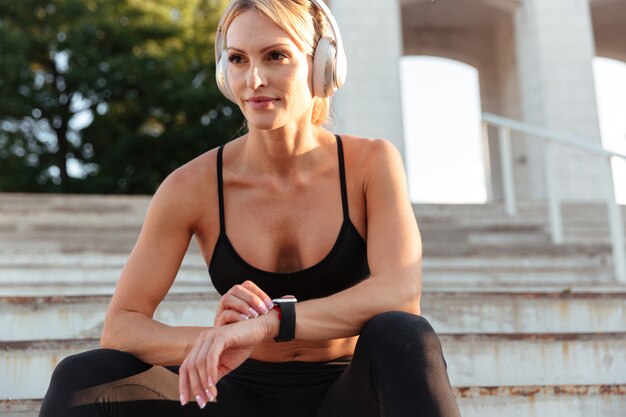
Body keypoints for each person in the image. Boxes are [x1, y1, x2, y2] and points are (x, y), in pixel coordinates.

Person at [39, 0, 461, 416]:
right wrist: (216, 340)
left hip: (349, 396)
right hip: (233, 397)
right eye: (238, 59)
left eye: (276, 56)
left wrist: (270, 321)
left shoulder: (371, 164)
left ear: (324, 65)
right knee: (82, 376)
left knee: (405, 335)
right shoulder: (191, 185)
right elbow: (122, 325)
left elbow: (401, 294)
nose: (254, 79)